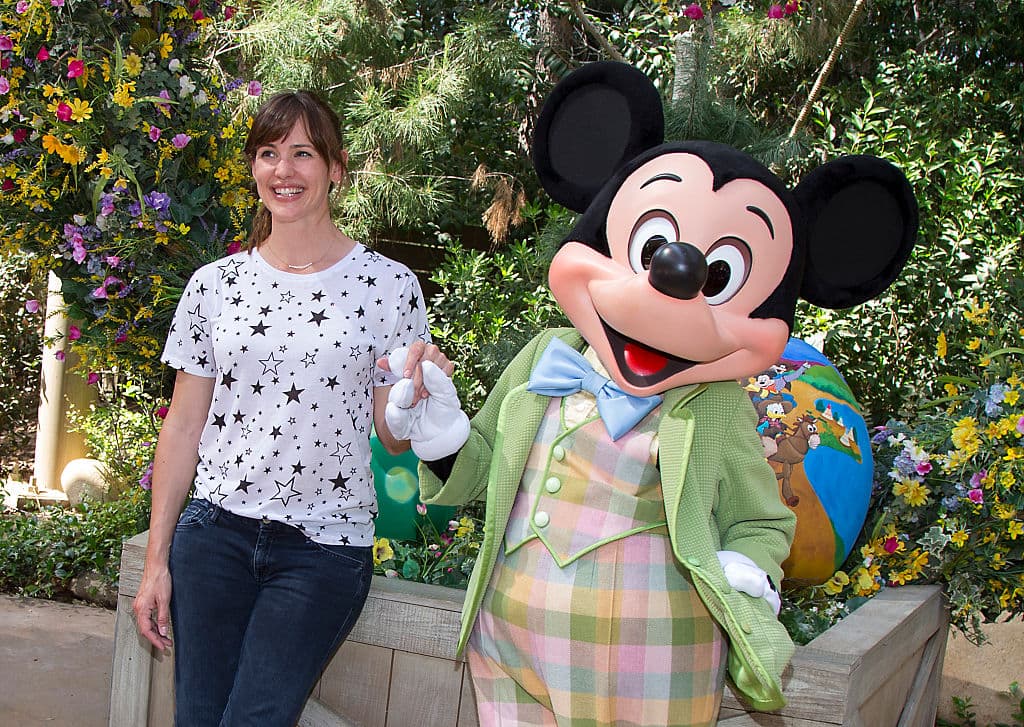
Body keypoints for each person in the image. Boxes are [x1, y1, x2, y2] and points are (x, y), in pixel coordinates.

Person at [132, 89, 452, 727]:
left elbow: (392, 440)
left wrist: (420, 394)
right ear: (253, 167)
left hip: (322, 548)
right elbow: (184, 427)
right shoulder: (214, 287)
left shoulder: (389, 286)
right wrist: (156, 562)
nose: (284, 170)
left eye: (303, 153)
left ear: (336, 169)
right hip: (213, 536)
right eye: (269, 153)